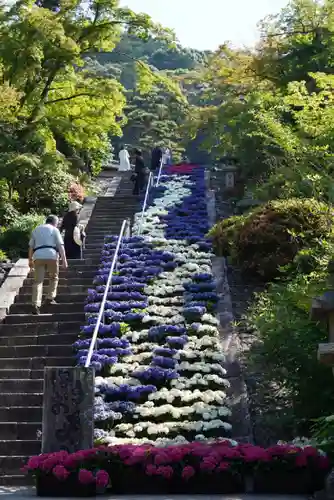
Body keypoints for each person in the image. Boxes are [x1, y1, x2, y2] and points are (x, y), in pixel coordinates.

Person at [28, 215, 68, 315]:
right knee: (54, 277)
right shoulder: (54, 230)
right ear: (54, 222)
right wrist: (64, 260)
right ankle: (50, 297)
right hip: (51, 255)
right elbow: (60, 246)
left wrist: (30, 260)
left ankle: (35, 304)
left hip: (38, 255)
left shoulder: (36, 229)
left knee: (38, 281)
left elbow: (31, 246)